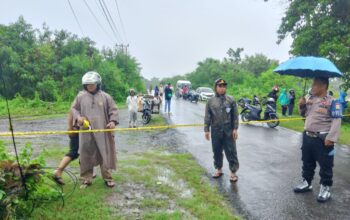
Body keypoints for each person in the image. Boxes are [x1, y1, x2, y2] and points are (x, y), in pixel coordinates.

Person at [294, 77, 342, 203]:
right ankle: (307, 182)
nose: (312, 86)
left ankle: (325, 187)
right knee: (307, 161)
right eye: (312, 84)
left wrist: (331, 138)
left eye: (315, 84)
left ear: (323, 86)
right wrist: (301, 105)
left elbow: (336, 121)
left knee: (326, 164)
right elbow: (303, 115)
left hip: (323, 138)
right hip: (307, 136)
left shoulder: (333, 102)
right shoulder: (310, 99)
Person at [71, 71, 118, 188]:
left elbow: (114, 110)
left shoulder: (106, 97)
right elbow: (74, 109)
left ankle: (108, 177)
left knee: (104, 153)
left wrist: (112, 121)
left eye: (92, 84)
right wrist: (78, 118)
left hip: (102, 131)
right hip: (86, 132)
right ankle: (87, 178)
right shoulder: (80, 97)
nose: (90, 86)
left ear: (98, 84)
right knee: (85, 153)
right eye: (87, 84)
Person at [204, 78, 239, 183]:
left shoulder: (231, 100)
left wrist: (235, 129)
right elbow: (207, 116)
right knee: (217, 151)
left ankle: (233, 172)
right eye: (220, 86)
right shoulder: (210, 101)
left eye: (224, 86)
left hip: (228, 130)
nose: (222, 88)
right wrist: (206, 130)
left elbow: (235, 116)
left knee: (231, 151)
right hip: (215, 130)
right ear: (216, 87)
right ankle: (218, 169)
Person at [52, 110, 80, 185]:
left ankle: (87, 172)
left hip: (83, 130)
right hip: (76, 130)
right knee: (74, 152)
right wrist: (70, 128)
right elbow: (72, 112)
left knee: (85, 151)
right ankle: (58, 171)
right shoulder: (80, 99)